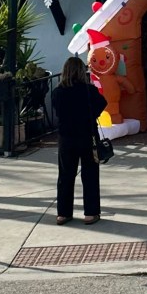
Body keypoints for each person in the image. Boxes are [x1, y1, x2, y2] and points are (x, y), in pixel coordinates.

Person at [51, 54, 107, 225]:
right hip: (88, 136)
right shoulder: (89, 91)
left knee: (65, 175)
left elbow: (58, 112)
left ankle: (63, 213)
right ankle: (91, 212)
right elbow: (102, 104)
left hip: (66, 137)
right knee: (90, 174)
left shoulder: (58, 92)